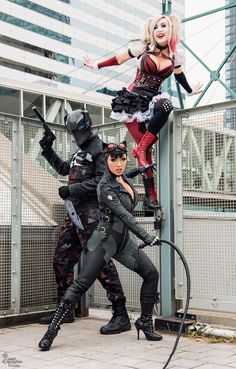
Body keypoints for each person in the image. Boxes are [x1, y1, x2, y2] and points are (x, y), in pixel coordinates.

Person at [38, 141, 162, 351]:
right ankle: (52, 331)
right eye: (113, 159)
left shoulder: (121, 178)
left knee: (152, 274)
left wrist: (142, 169)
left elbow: (127, 176)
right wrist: (146, 236)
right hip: (105, 242)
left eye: (122, 159)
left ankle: (145, 322)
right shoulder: (104, 186)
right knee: (81, 284)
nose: (119, 163)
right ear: (106, 161)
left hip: (123, 243)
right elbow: (124, 215)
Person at [83, 14, 202, 210]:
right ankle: (150, 196)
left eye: (163, 25)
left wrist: (190, 91)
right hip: (132, 101)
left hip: (152, 99)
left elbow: (179, 75)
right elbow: (119, 59)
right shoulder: (142, 48)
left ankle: (142, 148)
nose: (159, 29)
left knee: (166, 104)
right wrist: (95, 64)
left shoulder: (174, 55)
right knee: (146, 153)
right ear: (151, 32)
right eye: (156, 27)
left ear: (170, 29)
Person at [38, 109, 131, 335]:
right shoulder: (80, 152)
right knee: (61, 260)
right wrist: (47, 148)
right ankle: (65, 309)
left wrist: (71, 189)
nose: (74, 136)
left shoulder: (101, 151)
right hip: (75, 216)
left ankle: (121, 314)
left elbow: (102, 181)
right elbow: (63, 168)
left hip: (93, 216)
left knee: (101, 265)